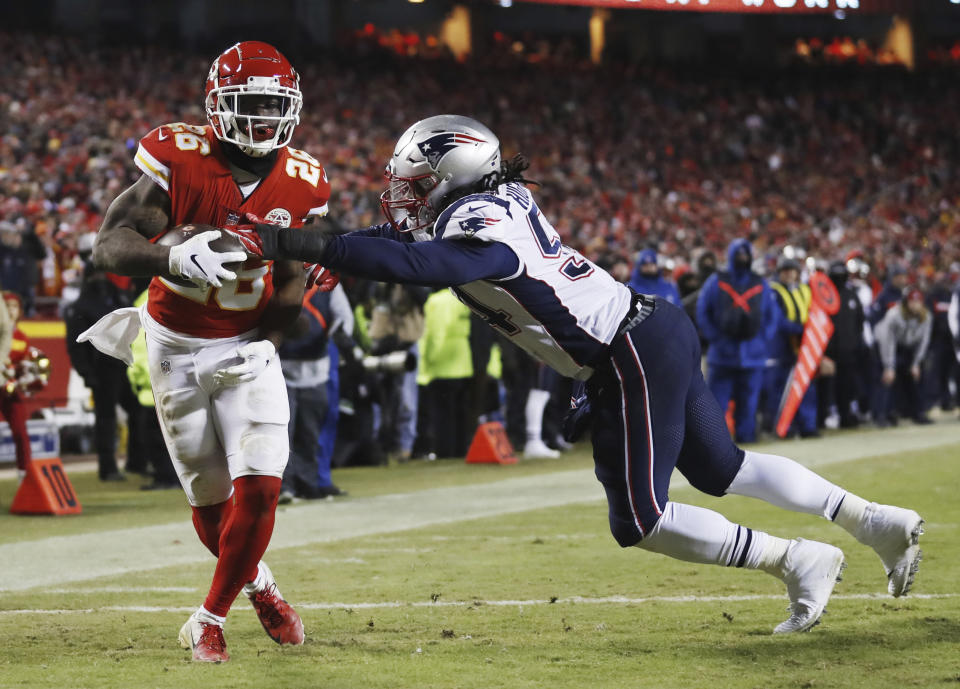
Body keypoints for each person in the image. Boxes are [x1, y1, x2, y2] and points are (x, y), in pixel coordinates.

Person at [233, 114, 924, 634]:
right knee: (724, 468)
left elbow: (426, 267)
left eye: (414, 184)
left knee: (642, 520)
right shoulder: (488, 203)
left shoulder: (477, 224)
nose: (401, 195)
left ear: (451, 179)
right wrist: (337, 248)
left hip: (626, 351)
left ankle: (796, 559)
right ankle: (872, 520)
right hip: (650, 329)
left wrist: (294, 241)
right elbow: (416, 246)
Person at [85, 41, 330, 662]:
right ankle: (262, 585)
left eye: (273, 106)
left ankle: (209, 618)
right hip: (175, 343)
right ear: (217, 105)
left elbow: (296, 276)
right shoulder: (179, 158)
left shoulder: (304, 180)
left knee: (263, 484)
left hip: (248, 344)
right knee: (210, 496)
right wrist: (167, 255)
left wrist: (270, 344)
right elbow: (107, 245)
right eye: (248, 104)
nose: (261, 120)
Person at [696, 238, 778, 443]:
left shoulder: (760, 283)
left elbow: (772, 316)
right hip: (722, 356)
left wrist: (761, 341)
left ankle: (747, 441)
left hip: (752, 356)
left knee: (749, 405)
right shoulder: (716, 281)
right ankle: (714, 445)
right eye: (739, 254)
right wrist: (716, 339)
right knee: (716, 405)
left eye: (745, 254)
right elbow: (702, 312)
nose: (742, 258)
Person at [279, 282, 353, 500]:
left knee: (311, 431)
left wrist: (338, 337)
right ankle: (284, 486)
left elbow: (343, 317)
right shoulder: (276, 276)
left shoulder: (327, 282)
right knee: (283, 431)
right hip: (281, 364)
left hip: (316, 365)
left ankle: (308, 483)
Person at [764, 257, 818, 437]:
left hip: (803, 344)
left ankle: (807, 426)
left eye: (791, 270)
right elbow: (777, 319)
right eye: (785, 270)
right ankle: (782, 427)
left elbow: (814, 312)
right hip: (781, 345)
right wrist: (802, 329)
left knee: (805, 387)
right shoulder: (773, 290)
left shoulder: (805, 290)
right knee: (780, 389)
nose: (788, 274)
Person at [874, 289, 933, 426]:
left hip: (908, 347)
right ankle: (882, 415)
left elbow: (924, 342)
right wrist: (889, 366)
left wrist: (916, 364)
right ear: (906, 303)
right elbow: (888, 341)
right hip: (884, 346)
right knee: (887, 379)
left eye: (918, 301)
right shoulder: (894, 315)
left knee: (915, 376)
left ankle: (917, 412)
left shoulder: (926, 316)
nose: (915, 305)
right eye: (912, 301)